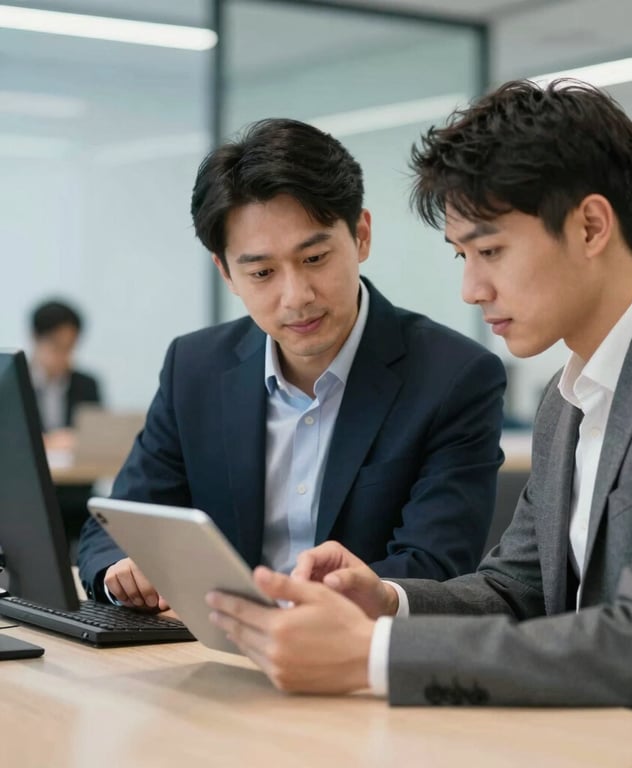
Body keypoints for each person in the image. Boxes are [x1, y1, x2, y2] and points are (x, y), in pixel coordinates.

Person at [205, 81, 632, 738]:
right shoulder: (573, 395)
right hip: (580, 742)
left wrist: (370, 655)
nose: (472, 289)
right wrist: (384, 602)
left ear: (589, 225)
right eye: (462, 256)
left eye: (490, 250)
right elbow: (514, 591)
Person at [77, 118, 506, 609]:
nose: (296, 297)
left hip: (353, 659)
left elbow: (433, 567)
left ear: (361, 236)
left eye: (315, 258)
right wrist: (121, 573)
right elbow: (116, 523)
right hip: (212, 653)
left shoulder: (454, 376)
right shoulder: (194, 367)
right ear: (227, 272)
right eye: (261, 272)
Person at [30, 299, 102, 540]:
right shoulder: (12, 382)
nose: (64, 355)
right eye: (56, 346)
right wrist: (50, 441)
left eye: (70, 347)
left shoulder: (86, 384)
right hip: (31, 491)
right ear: (36, 339)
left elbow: (96, 438)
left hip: (75, 493)